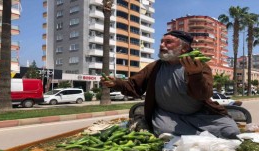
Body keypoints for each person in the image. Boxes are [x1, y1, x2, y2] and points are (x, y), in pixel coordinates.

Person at [101, 30, 240, 139]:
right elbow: (133, 86)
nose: (162, 45)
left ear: (184, 48)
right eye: (162, 42)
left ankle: (192, 136)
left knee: (230, 130)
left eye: (168, 42)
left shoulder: (199, 66)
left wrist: (195, 75)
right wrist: (116, 83)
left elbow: (203, 94)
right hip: (167, 116)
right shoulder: (154, 67)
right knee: (165, 132)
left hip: (199, 115)